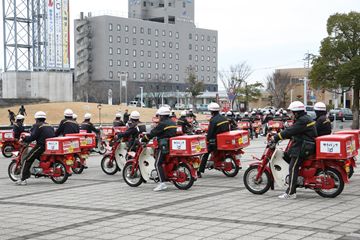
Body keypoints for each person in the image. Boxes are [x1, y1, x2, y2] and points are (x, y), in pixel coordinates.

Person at [272, 101, 317, 199]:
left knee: (292, 167)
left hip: (303, 147)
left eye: (291, 112)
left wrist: (277, 137)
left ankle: (291, 193)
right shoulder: (304, 118)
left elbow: (291, 130)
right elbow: (295, 131)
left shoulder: (302, 120)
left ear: (296, 112)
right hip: (305, 144)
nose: (290, 114)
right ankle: (295, 181)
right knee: (287, 155)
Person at [142, 107, 177, 191]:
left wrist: (144, 139)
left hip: (164, 145)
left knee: (157, 163)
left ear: (161, 116)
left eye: (159, 116)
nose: (158, 117)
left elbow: (153, 133)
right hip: (172, 145)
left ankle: (162, 183)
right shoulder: (172, 122)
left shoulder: (162, 124)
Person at [17, 111, 55, 185]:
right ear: (44, 118)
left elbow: (32, 137)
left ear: (36, 118)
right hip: (50, 146)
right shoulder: (49, 125)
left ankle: (23, 179)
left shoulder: (37, 125)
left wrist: (24, 139)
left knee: (27, 160)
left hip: (41, 146)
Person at [198, 103, 230, 176]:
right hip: (225, 141)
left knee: (205, 154)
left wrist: (207, 139)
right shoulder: (224, 118)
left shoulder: (213, 120)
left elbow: (211, 132)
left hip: (215, 142)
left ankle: (199, 171)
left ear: (211, 111)